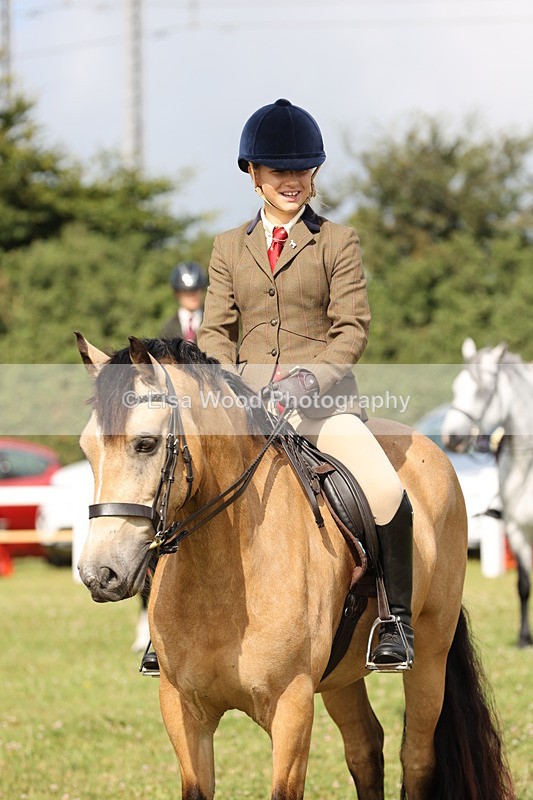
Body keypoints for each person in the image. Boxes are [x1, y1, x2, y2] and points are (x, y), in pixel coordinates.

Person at [197, 98, 414, 670]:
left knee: (387, 491)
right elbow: (215, 333)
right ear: (253, 174)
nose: (292, 181)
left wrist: (301, 382)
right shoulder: (227, 247)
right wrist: (240, 387)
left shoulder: (338, 242)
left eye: (302, 170)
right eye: (278, 171)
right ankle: (169, 629)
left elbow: (352, 330)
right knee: (177, 482)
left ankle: (396, 621)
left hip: (321, 409)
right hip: (246, 412)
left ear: (314, 172)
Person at [160, 261, 208, 342]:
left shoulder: (213, 322)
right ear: (177, 293)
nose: (192, 295)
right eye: (186, 291)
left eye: (197, 290)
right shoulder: (168, 329)